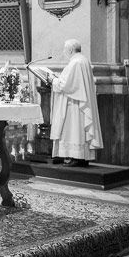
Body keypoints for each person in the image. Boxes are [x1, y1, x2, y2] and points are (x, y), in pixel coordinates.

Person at [49, 38, 104, 167]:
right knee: (78, 130)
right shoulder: (83, 60)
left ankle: (74, 156)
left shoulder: (75, 63)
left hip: (74, 104)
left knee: (73, 130)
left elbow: (66, 85)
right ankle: (82, 157)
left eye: (64, 49)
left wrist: (53, 80)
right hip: (79, 102)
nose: (64, 52)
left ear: (70, 50)